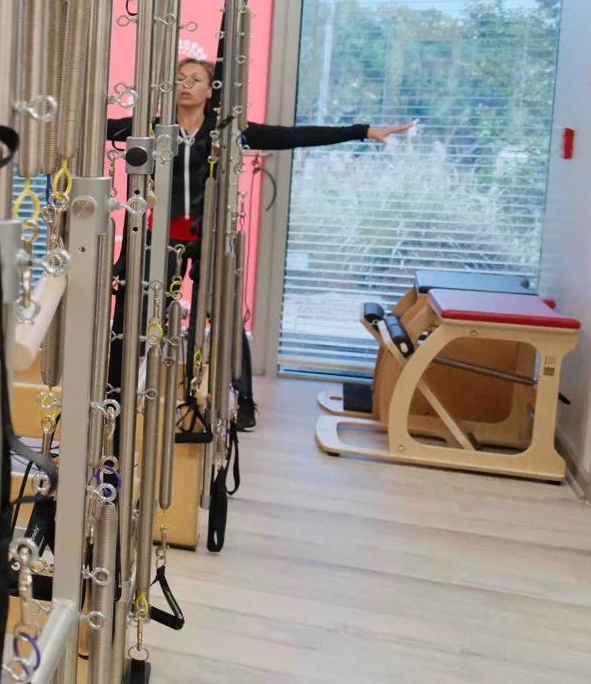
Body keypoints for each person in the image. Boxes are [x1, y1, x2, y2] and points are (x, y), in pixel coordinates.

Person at [111, 43, 413, 427]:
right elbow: (99, 127)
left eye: (195, 79)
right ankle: (115, 394)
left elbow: (293, 136)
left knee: (225, 318)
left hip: (209, 235)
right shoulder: (151, 129)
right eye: (180, 79)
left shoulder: (227, 131)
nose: (185, 85)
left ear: (210, 89)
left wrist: (362, 131)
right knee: (137, 312)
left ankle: (244, 402)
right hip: (161, 236)